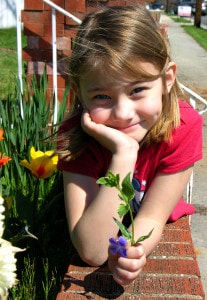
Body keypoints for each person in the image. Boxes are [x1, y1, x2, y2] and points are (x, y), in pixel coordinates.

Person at [57, 5, 203, 286]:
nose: (123, 113)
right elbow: (91, 249)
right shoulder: (75, 138)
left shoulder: (183, 128)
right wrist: (124, 155)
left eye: (137, 90)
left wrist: (132, 251)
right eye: (101, 96)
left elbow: (152, 217)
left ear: (167, 79)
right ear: (80, 94)